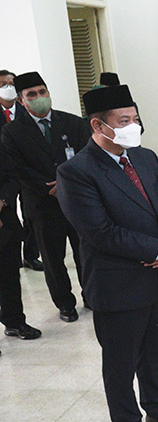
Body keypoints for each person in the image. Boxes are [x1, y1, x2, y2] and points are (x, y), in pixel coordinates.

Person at [56, 84, 158, 422]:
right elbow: (100, 232)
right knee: (120, 362)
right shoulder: (76, 172)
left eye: (135, 119)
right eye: (123, 121)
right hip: (117, 283)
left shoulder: (145, 157)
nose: (133, 127)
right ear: (98, 125)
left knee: (156, 352)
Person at [1, 72, 89, 322]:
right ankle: (65, 303)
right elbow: (17, 168)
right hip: (42, 204)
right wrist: (46, 186)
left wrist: (67, 183)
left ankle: (91, 295)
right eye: (32, 94)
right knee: (52, 258)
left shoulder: (72, 123)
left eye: (42, 92)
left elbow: (86, 156)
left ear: (49, 93)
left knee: (85, 252)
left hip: (77, 200)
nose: (39, 97)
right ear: (21, 100)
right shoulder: (12, 132)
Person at [0, 70, 42, 272]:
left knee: (30, 214)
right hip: (5, 174)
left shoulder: (27, 110)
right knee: (9, 213)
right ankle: (12, 253)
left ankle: (31, 255)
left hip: (25, 170)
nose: (7, 87)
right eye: (3, 84)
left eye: (11, 84)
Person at [0, 136, 41, 343]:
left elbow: (11, 177)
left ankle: (14, 321)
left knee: (9, 276)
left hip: (4, 222)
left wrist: (3, 200)